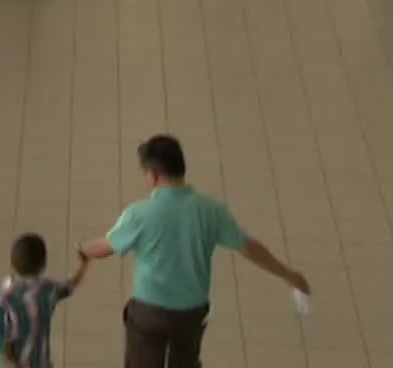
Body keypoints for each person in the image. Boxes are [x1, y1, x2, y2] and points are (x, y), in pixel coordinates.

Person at [77, 135, 309, 368]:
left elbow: (104, 249)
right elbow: (248, 247)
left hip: (149, 311)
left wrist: (83, 246)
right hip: (191, 311)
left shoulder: (139, 214)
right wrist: (289, 275)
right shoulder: (211, 210)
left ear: (153, 174)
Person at [0, 233, 88, 368]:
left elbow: (1, 344)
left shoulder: (0, 298)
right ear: (43, 264)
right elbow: (69, 285)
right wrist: (83, 263)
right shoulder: (47, 291)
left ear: (12, 263)